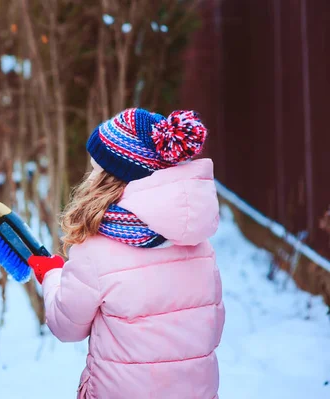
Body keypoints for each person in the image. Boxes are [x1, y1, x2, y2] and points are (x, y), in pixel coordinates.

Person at [28, 108, 225, 399]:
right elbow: (212, 327)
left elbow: (66, 326)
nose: (90, 175)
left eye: (96, 169)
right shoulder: (199, 245)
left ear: (112, 180)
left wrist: (53, 276)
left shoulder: (95, 251)